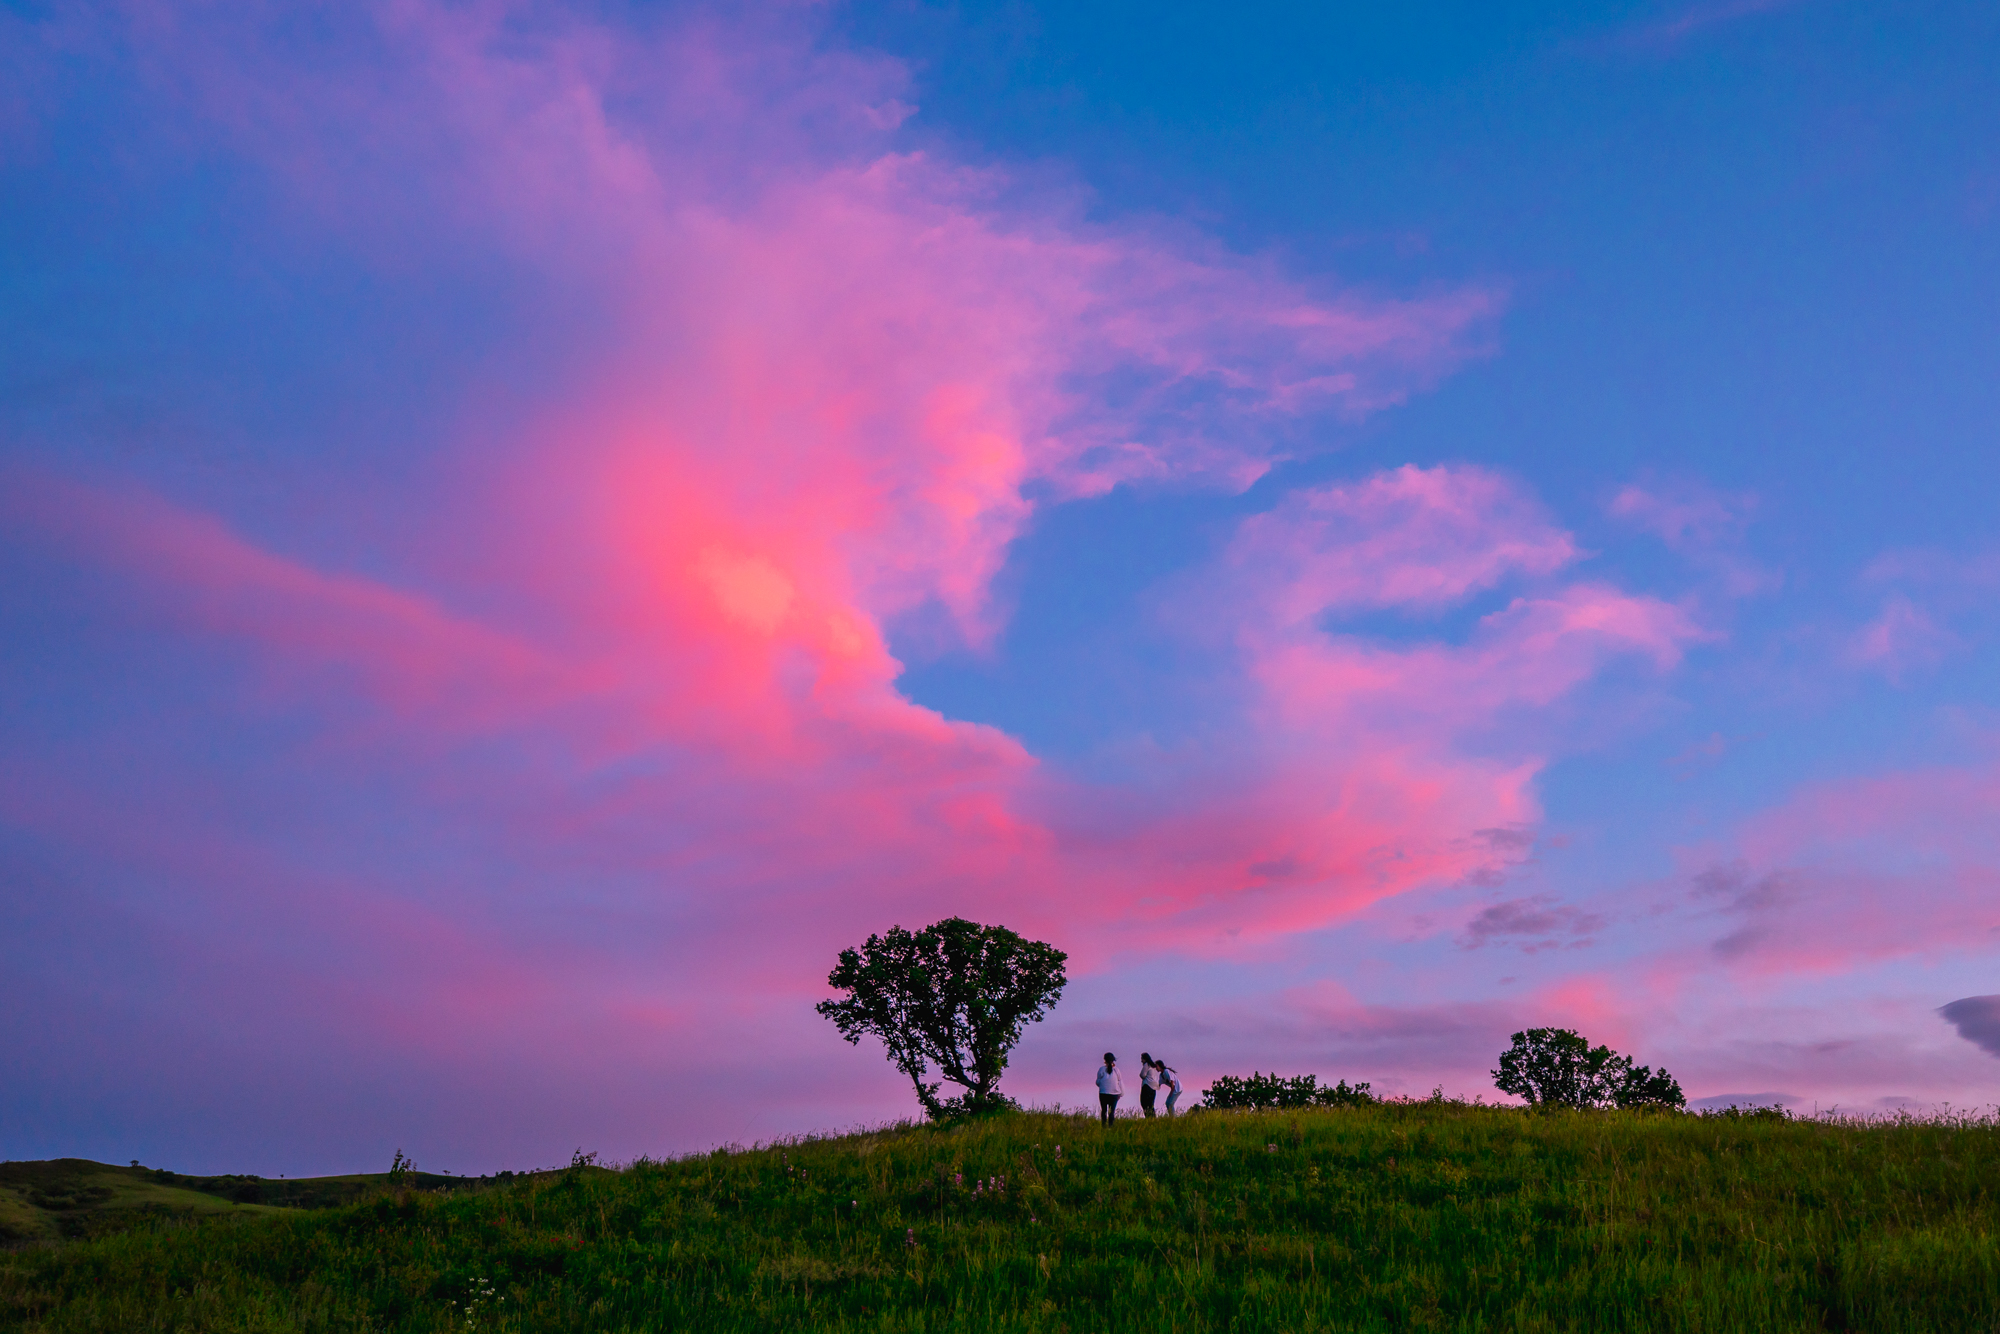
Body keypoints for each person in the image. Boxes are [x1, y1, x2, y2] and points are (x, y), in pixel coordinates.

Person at [1095, 1052, 1124, 1127]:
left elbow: (1098, 1082)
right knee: (1112, 1111)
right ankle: (1111, 1126)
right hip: (1114, 1094)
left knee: (1104, 1110)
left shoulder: (1101, 1069)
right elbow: (1120, 1082)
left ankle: (1103, 1126)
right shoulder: (1117, 1070)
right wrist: (1121, 1093)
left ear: (1105, 1060)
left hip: (1103, 1093)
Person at [1138, 1051, 1161, 1117]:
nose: (1141, 1061)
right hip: (1154, 1087)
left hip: (1147, 1086)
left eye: (1142, 1059)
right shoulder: (1154, 1066)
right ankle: (1152, 1118)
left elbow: (1142, 1075)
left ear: (1145, 1059)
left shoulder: (1147, 1065)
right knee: (1151, 1104)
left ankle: (1148, 1117)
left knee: (1144, 1103)